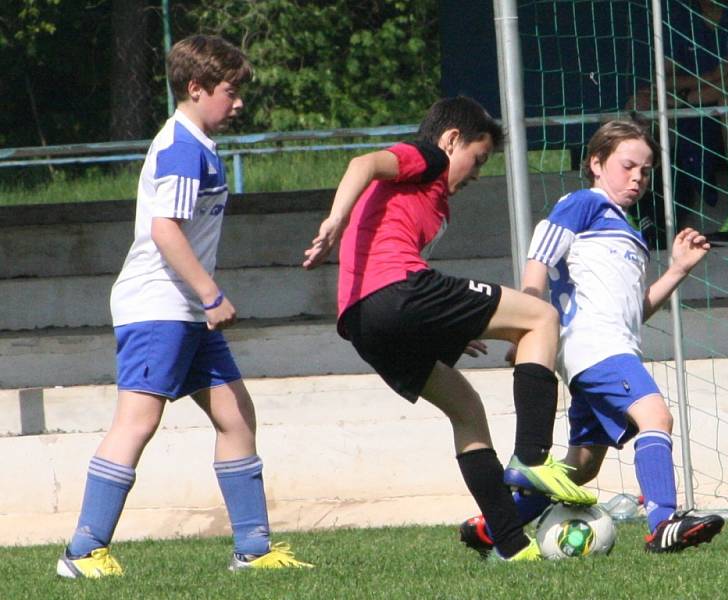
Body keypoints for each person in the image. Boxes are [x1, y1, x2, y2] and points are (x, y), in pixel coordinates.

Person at [56, 35, 311, 579]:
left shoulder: (198, 142)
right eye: (229, 90)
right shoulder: (180, 148)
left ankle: (253, 549)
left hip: (183, 311)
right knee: (138, 421)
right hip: (158, 306)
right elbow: (164, 230)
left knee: (236, 417)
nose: (238, 101)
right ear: (195, 88)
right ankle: (81, 552)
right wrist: (210, 294)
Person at [303, 96, 596, 562]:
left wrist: (450, 325)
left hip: (363, 322)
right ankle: (533, 458)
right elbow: (364, 162)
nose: (476, 173)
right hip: (397, 292)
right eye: (477, 160)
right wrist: (335, 219)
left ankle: (511, 545)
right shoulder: (429, 156)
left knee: (466, 409)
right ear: (452, 139)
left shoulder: (432, 201)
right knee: (541, 318)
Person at [459, 119, 725, 555]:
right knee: (656, 417)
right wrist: (525, 325)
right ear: (596, 163)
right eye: (628, 165)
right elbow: (539, 255)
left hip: (608, 348)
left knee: (580, 467)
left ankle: (493, 525)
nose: (637, 176)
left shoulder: (630, 233)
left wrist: (677, 270)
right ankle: (663, 524)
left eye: (646, 170)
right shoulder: (583, 203)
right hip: (595, 348)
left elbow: (635, 311)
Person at [627, 0, 728, 244]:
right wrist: (713, 76)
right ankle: (636, 212)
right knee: (640, 104)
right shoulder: (682, 15)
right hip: (689, 114)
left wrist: (688, 97)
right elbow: (664, 79)